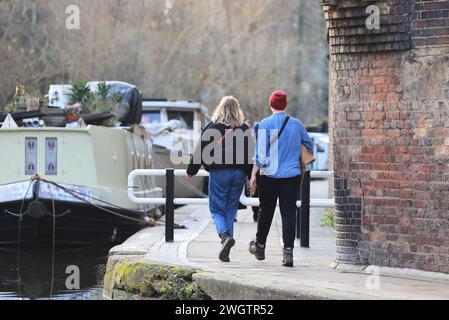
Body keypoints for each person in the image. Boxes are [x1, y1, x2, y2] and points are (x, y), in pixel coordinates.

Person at [249, 90, 313, 267]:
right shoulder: (297, 125)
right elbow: (308, 145)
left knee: (265, 211)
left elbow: (261, 156)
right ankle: (288, 252)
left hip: (269, 175)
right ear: (285, 105)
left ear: (271, 104)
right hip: (292, 176)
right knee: (289, 213)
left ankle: (260, 246)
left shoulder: (264, 124)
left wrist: (254, 174)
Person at [187, 96, 254, 263]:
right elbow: (250, 154)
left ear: (220, 109)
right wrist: (251, 176)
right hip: (238, 173)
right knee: (230, 210)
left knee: (216, 209)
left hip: (219, 173)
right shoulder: (244, 128)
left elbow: (200, 149)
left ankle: (224, 237)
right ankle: (227, 250)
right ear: (237, 110)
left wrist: (191, 170)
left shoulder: (212, 128)